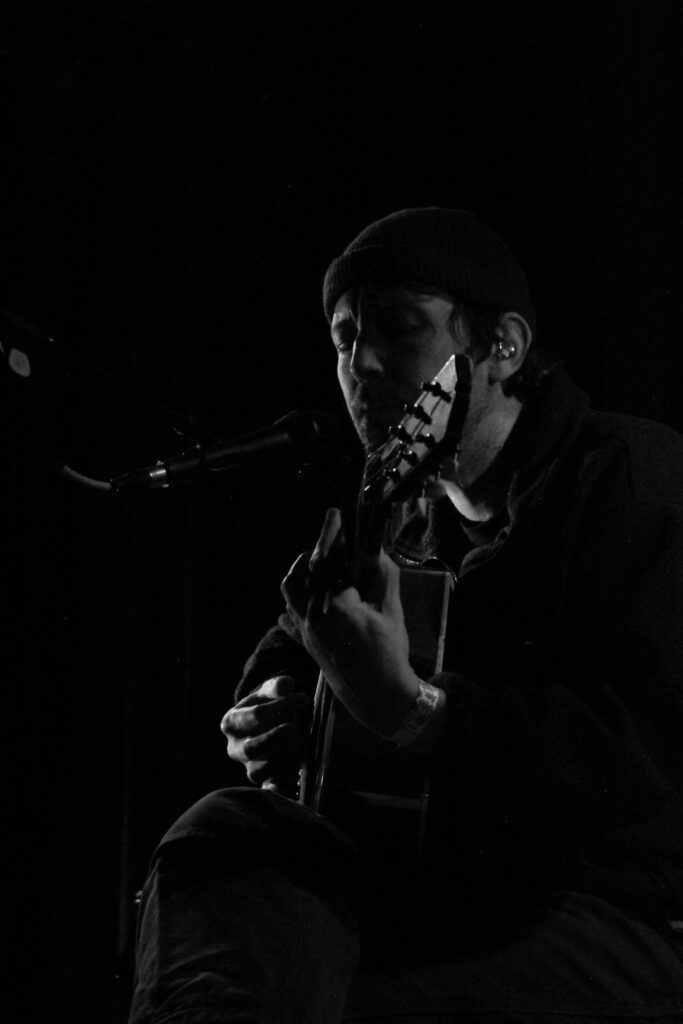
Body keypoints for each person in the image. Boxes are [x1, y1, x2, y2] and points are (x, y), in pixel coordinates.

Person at [128, 208, 683, 1024]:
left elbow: (638, 751)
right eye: (344, 339)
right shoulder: (392, 509)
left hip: (606, 907)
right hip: (427, 887)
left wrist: (415, 713)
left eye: (398, 328)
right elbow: (294, 651)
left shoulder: (631, 482)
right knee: (223, 835)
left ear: (502, 347)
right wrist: (274, 713)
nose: (364, 365)